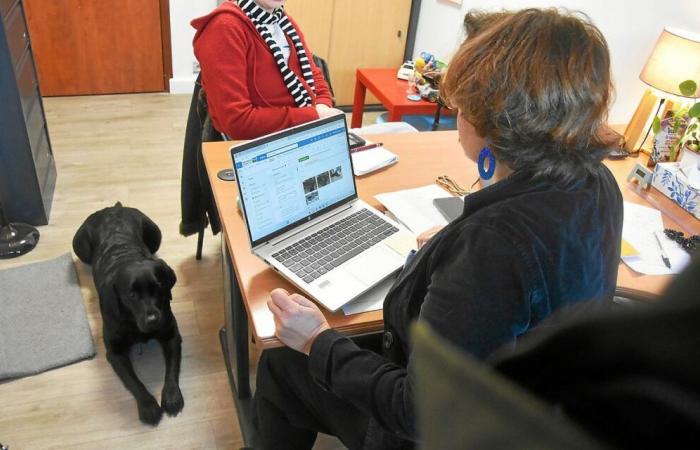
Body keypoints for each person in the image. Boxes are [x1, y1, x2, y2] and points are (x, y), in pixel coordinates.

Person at [253, 8, 624, 450]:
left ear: (495, 121)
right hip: (538, 403)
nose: (457, 114)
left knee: (281, 361)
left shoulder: (494, 246)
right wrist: (449, 250)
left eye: (462, 105)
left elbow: (418, 414)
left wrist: (317, 342)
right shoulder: (598, 182)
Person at [191, 0, 342, 140]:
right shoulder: (225, 28)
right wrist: (314, 115)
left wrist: (322, 106)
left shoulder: (283, 20)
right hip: (255, 144)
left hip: (299, 130)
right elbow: (237, 121)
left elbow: (314, 73)